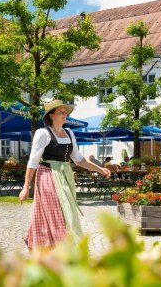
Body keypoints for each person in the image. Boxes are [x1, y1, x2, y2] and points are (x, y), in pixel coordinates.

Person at [19, 99, 111, 251]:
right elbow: (33, 162)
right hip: (47, 176)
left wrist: (99, 169)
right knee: (54, 211)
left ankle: (48, 246)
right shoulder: (43, 133)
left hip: (65, 176)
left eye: (65, 112)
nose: (64, 115)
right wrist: (25, 187)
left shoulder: (69, 133)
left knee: (65, 210)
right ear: (51, 116)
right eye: (60, 112)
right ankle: (61, 248)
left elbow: (79, 159)